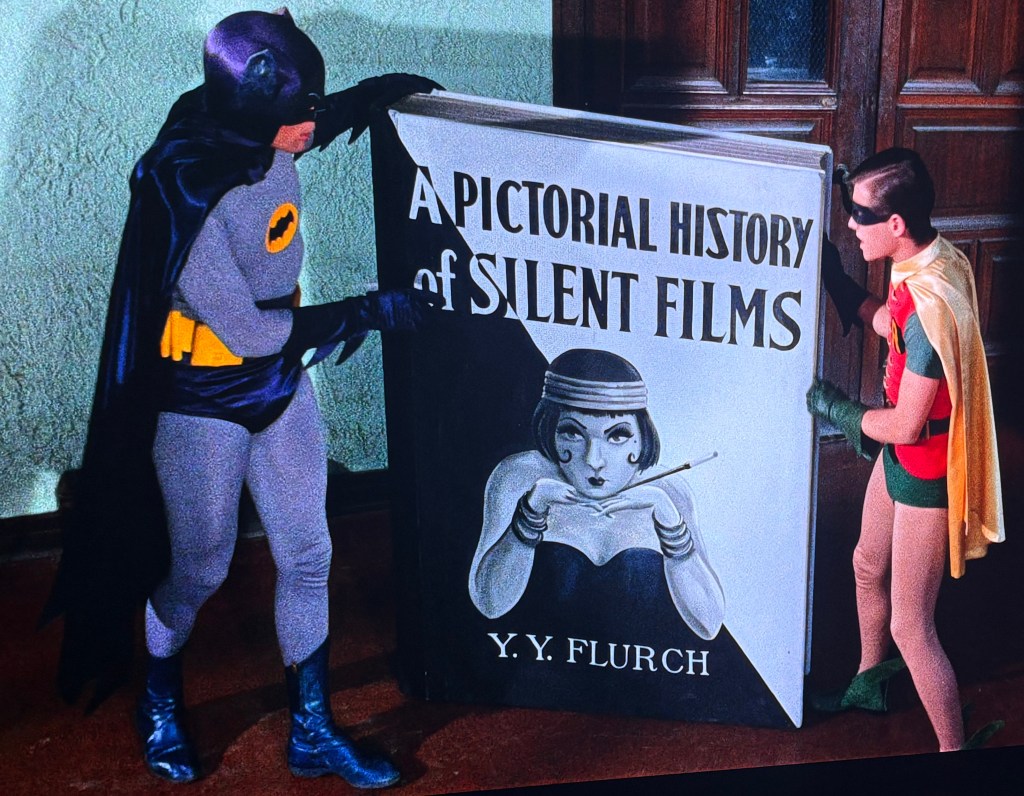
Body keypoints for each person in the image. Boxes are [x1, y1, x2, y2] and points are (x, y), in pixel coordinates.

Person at [41, 9, 440, 787]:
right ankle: (158, 699)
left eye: (311, 112)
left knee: (309, 553)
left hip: (279, 384)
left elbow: (304, 127)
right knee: (200, 570)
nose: (309, 130)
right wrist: (364, 309)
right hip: (202, 397)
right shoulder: (186, 186)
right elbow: (249, 332)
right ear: (252, 119)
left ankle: (313, 730)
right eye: (298, 117)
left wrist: (366, 98)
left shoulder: (259, 128)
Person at [808, 147, 1004, 751]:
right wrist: (843, 289)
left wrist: (837, 408)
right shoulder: (924, 262)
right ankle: (870, 683)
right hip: (900, 462)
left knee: (911, 626)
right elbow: (892, 328)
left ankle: (954, 752)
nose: (849, 223)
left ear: (895, 226)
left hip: (926, 471)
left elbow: (906, 425)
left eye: (858, 213)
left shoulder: (930, 301)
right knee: (868, 564)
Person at [469, 348, 724, 641]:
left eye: (617, 435)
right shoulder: (519, 477)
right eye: (573, 433)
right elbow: (489, 604)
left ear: (642, 438)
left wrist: (668, 519)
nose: (594, 459)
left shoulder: (667, 491)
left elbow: (709, 624)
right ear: (549, 429)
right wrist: (532, 510)